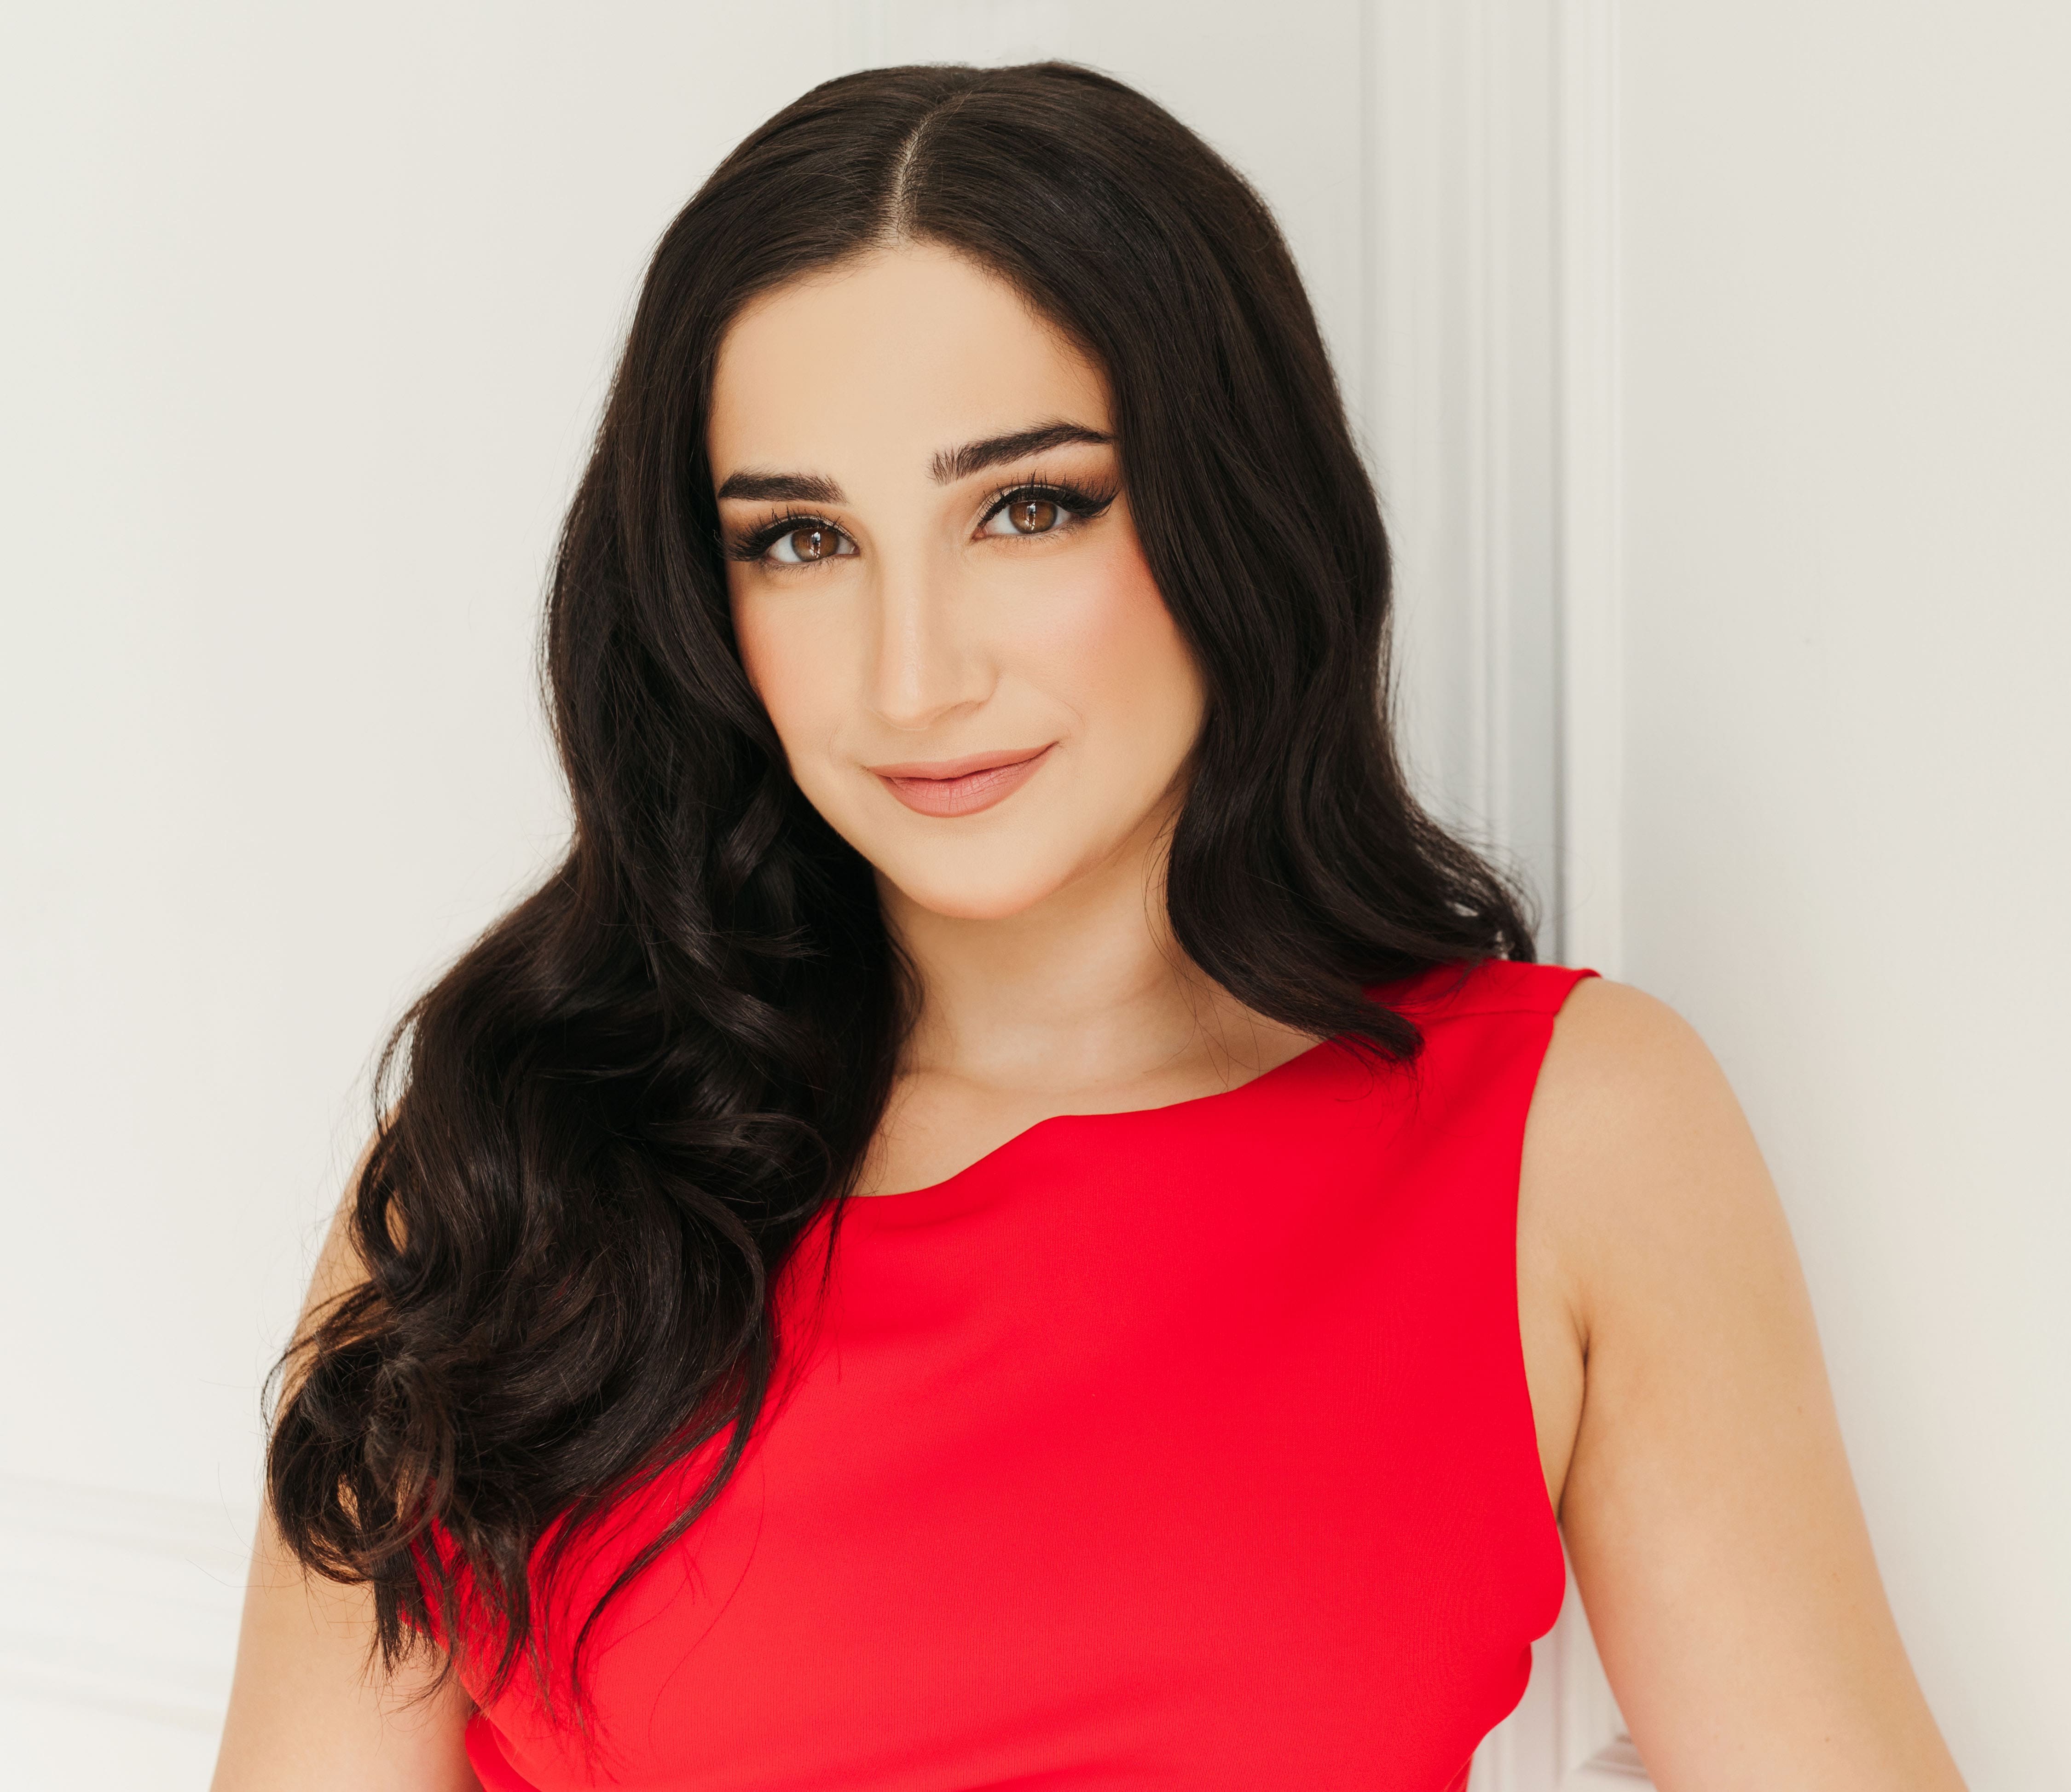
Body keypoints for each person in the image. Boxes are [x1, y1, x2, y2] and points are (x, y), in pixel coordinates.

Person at [210, 62, 1965, 1792]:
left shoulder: (1569, 1135)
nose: (915, 675)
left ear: (1234, 513)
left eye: (1028, 507)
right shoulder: (510, 1168)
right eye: (802, 541)